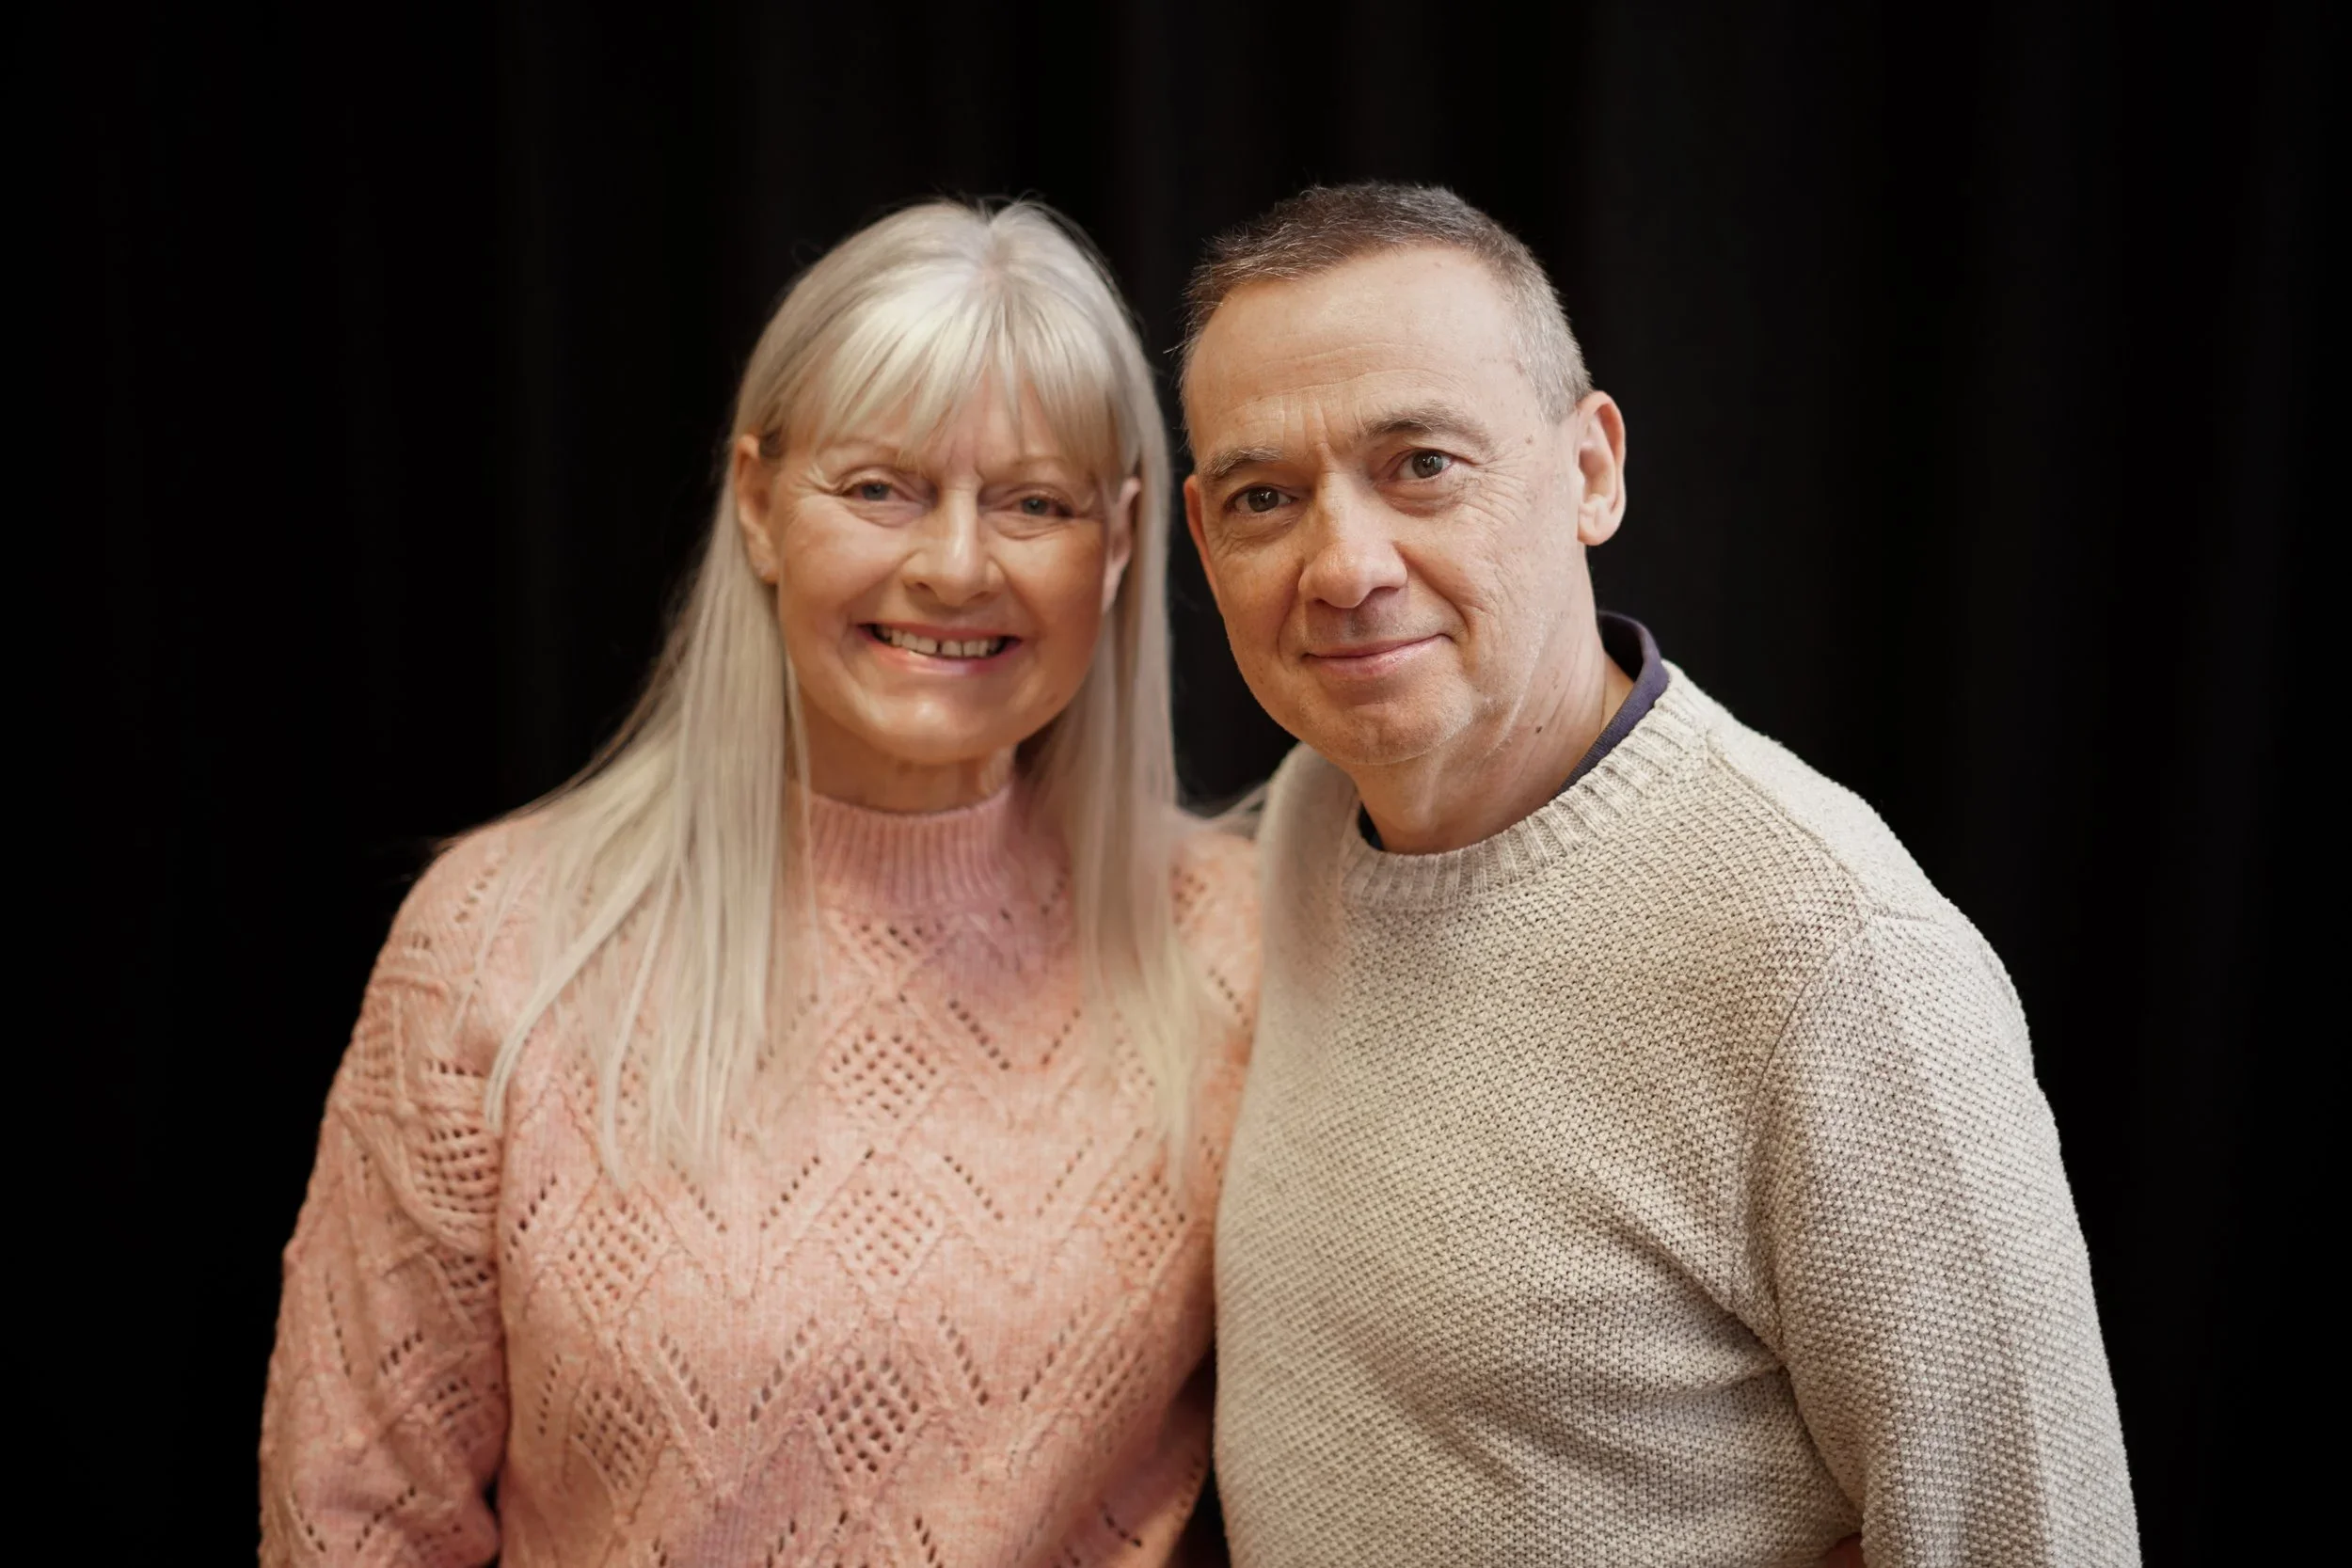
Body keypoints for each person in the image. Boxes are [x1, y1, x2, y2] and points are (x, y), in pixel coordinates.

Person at [259, 199, 1258, 1565]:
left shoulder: (1240, 949)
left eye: (1033, 501)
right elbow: (358, 1514)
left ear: (1122, 537)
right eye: (880, 487)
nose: (956, 564)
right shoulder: (502, 937)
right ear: (757, 502)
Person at [1181, 183, 2137, 1566]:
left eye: (1423, 464)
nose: (1345, 565)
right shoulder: (1308, 821)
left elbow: (2040, 1542)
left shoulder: (1835, 957)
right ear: (1209, 543)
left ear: (1591, 470)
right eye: (1270, 497)